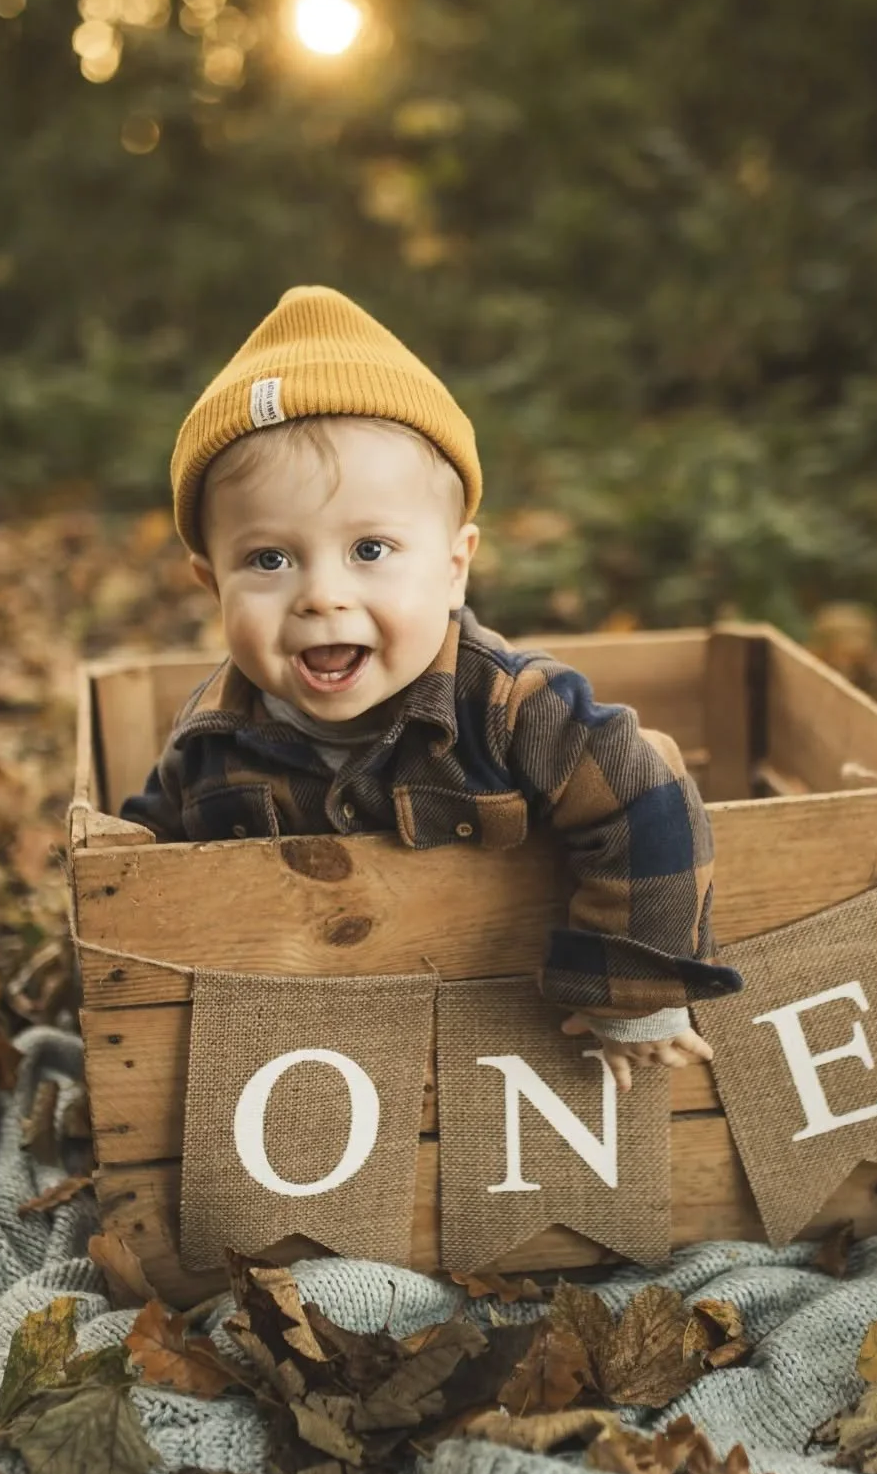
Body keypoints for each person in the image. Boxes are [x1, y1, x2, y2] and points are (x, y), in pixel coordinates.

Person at [121, 284, 742, 1088]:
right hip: (314, 1061)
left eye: (370, 550)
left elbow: (645, 798)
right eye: (269, 559)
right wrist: (117, 868)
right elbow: (147, 869)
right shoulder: (208, 741)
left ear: (454, 567)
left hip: (511, 1050)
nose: (321, 596)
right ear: (213, 584)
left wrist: (637, 994)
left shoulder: (516, 709)